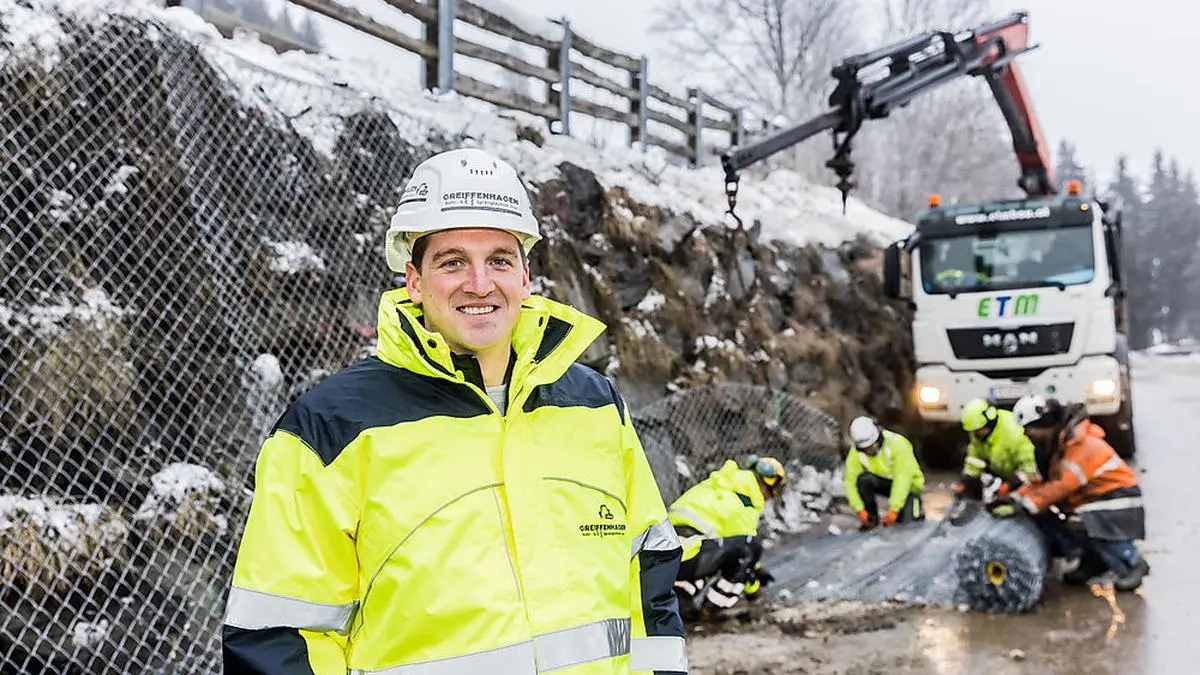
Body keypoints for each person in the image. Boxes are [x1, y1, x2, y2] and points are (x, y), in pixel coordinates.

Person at [221, 148, 689, 674]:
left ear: (525, 277)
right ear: (413, 280)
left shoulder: (596, 406)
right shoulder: (331, 430)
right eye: (452, 262)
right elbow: (279, 636)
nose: (480, 283)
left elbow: (647, 583)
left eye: (499, 260)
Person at [999, 395, 1150, 591]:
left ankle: (1132, 562)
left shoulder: (1081, 446)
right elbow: (1045, 482)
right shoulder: (1060, 446)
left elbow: (1062, 486)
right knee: (1062, 519)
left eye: (1030, 431)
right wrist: (1013, 497)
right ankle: (1094, 562)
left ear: (1044, 425)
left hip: (1117, 500)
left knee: (1082, 523)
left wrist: (1026, 504)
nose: (1028, 436)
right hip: (1097, 499)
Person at [667, 456, 786, 616]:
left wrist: (757, 569)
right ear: (769, 486)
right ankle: (707, 613)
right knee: (751, 546)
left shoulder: (717, 484)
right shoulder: (745, 504)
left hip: (666, 556)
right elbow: (745, 554)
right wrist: (754, 591)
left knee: (713, 549)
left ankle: (680, 600)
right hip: (687, 555)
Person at [843, 416, 926, 529]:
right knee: (864, 479)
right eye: (865, 449)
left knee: (908, 526)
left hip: (910, 487)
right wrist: (859, 509)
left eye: (871, 446)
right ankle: (871, 520)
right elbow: (849, 481)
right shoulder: (857, 452)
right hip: (887, 484)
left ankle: (916, 509)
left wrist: (894, 510)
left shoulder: (898, 444)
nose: (869, 451)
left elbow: (903, 479)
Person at [955, 398, 1041, 504]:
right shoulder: (978, 433)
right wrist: (965, 483)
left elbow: (1030, 471)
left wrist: (1008, 486)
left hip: (1027, 481)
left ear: (990, 422)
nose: (976, 435)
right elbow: (974, 459)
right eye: (974, 432)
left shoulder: (1014, 435)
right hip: (1003, 475)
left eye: (978, 431)